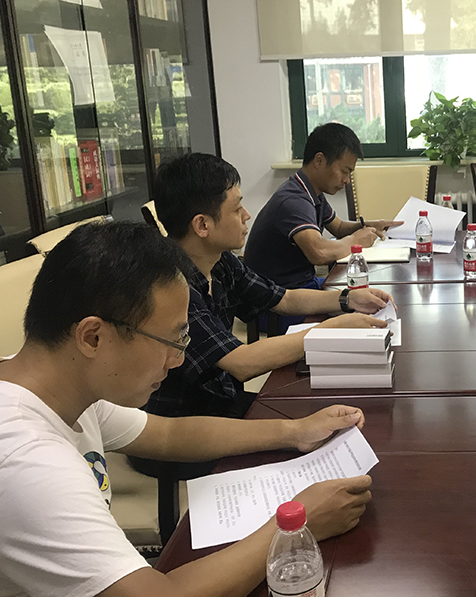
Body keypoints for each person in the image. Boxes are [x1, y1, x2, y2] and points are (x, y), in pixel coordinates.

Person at [0, 221, 373, 597]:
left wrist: (296, 431)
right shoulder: (23, 464)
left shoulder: (56, 382)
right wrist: (297, 523)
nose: (178, 360)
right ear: (93, 337)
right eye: (172, 340)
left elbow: (167, 434)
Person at [147, 153, 391, 422]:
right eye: (237, 209)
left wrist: (347, 299)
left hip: (222, 402)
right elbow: (241, 362)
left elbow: (283, 299)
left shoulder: (221, 262)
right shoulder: (171, 286)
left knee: (336, 408)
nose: (247, 215)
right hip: (185, 424)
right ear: (202, 225)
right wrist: (330, 329)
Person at [244, 122, 403, 293]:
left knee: (368, 292)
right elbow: (318, 252)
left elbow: (339, 227)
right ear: (319, 160)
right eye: (344, 171)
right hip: (279, 297)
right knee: (364, 299)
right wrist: (356, 241)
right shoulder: (294, 200)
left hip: (301, 286)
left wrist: (366, 225)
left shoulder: (311, 191)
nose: (347, 180)